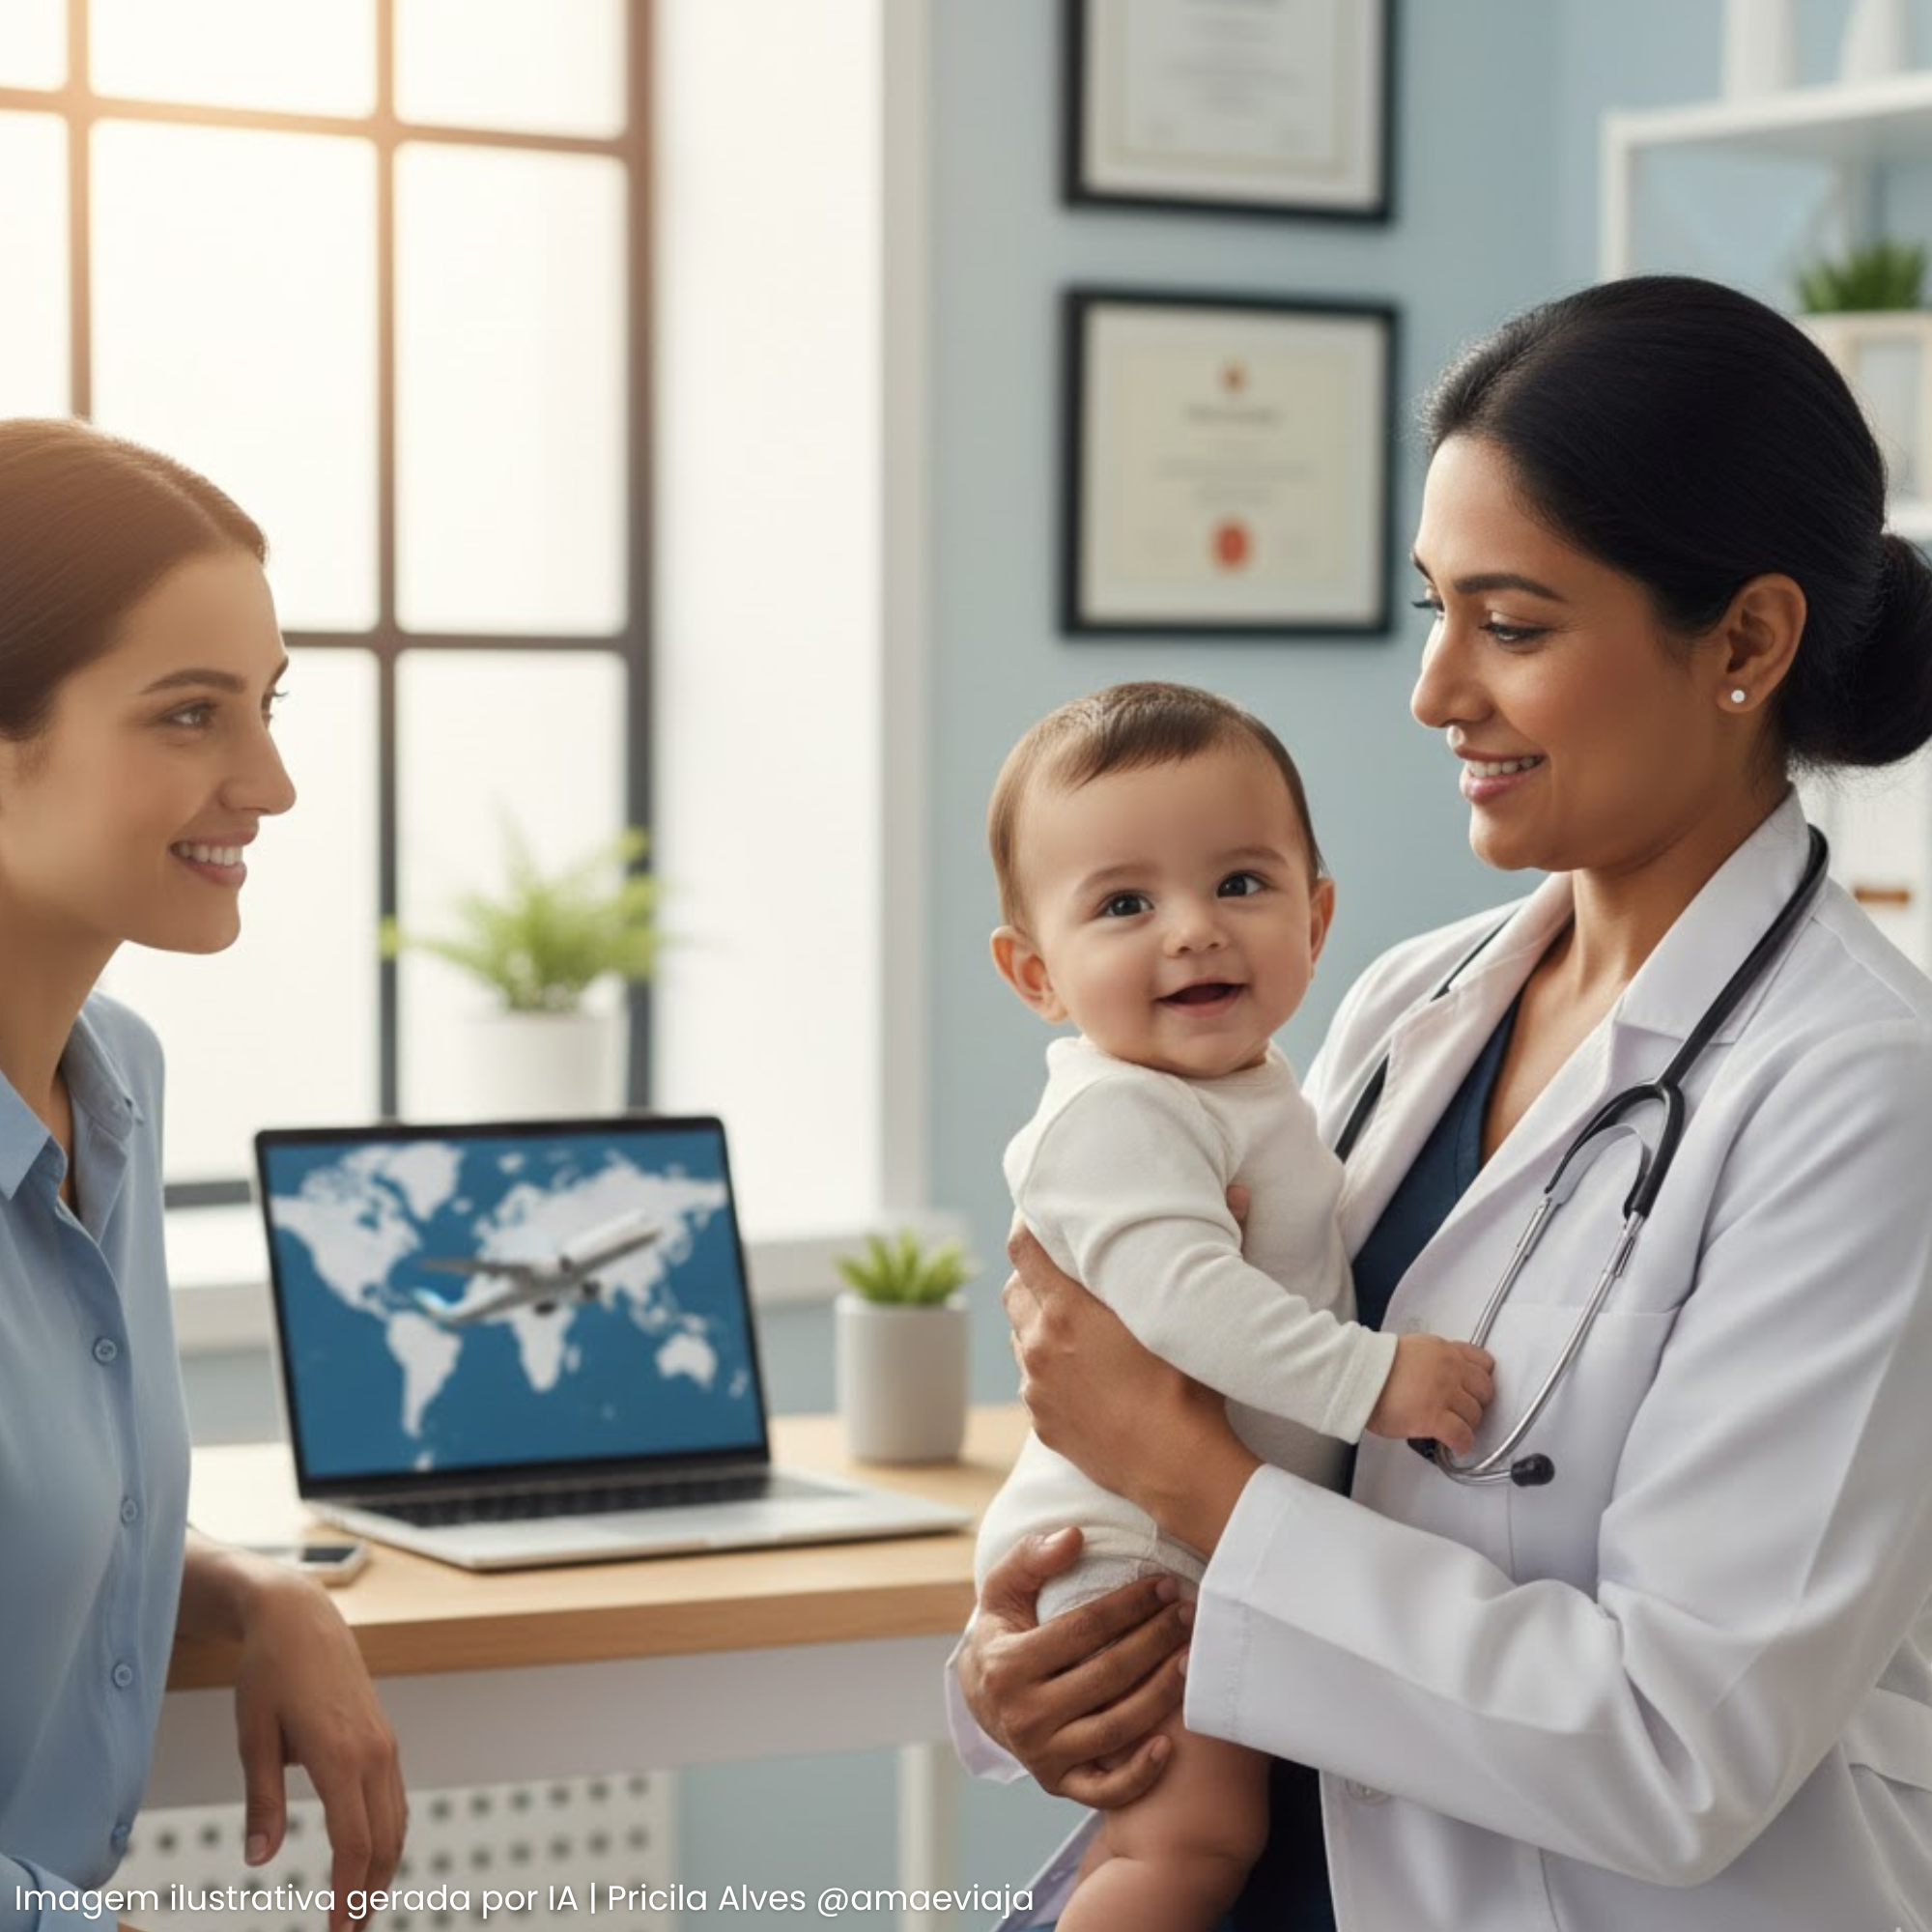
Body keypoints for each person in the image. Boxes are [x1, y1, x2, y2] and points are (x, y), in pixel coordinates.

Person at [952, 274, 1932, 1931]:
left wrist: (1180, 1473)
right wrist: (1021, 1666)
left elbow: (1673, 1749)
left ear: (1747, 642)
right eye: (1433, 605)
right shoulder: (1416, 998)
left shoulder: (1859, 1096)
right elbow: (1274, 1441)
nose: (1434, 692)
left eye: (1515, 624)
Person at [975, 681, 1495, 1930]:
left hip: (1209, 1545)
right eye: (1124, 905)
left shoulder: (1247, 1089)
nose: (1195, 931)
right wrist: (1378, 1382)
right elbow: (1187, 1304)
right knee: (1185, 1846)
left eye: (1242, 886)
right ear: (1036, 973)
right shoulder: (1118, 1111)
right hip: (1134, 1554)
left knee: (1187, 1841)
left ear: (1317, 919)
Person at [0, 419, 407, 1932]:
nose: (274, 782)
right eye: (190, 715)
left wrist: (251, 1588)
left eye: (268, 706)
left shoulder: (116, 1081)